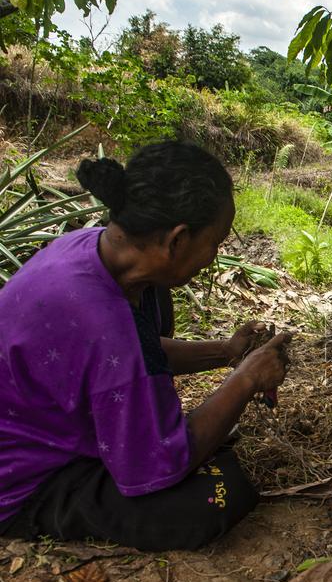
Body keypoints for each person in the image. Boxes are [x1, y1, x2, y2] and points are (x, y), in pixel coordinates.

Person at [0, 142, 291, 551]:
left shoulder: (93, 251)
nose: (215, 256)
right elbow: (157, 462)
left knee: (158, 294)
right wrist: (245, 381)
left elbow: (133, 354)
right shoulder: (104, 323)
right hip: (25, 478)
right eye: (215, 242)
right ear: (177, 240)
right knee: (219, 495)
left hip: (47, 422)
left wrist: (227, 352)